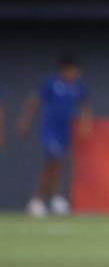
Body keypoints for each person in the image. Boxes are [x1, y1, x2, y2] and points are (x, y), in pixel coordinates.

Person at [16, 54, 93, 218]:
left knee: (55, 163)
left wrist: (86, 124)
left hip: (65, 129)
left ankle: (51, 199)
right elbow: (34, 101)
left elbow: (84, 106)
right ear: (65, 69)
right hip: (50, 129)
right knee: (54, 160)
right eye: (72, 69)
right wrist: (24, 122)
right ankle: (42, 199)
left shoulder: (77, 86)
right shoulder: (51, 83)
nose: (74, 73)